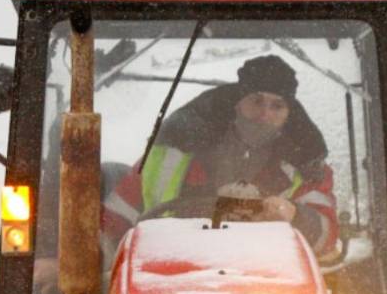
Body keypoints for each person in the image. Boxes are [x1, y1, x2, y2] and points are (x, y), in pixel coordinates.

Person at [101, 54, 339, 258]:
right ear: (238, 102)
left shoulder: (308, 165)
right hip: (171, 276)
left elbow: (327, 238)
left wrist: (294, 215)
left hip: (269, 287)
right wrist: (91, 260)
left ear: (289, 113)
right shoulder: (172, 152)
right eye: (256, 101)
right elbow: (113, 223)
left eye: (277, 106)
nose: (265, 114)